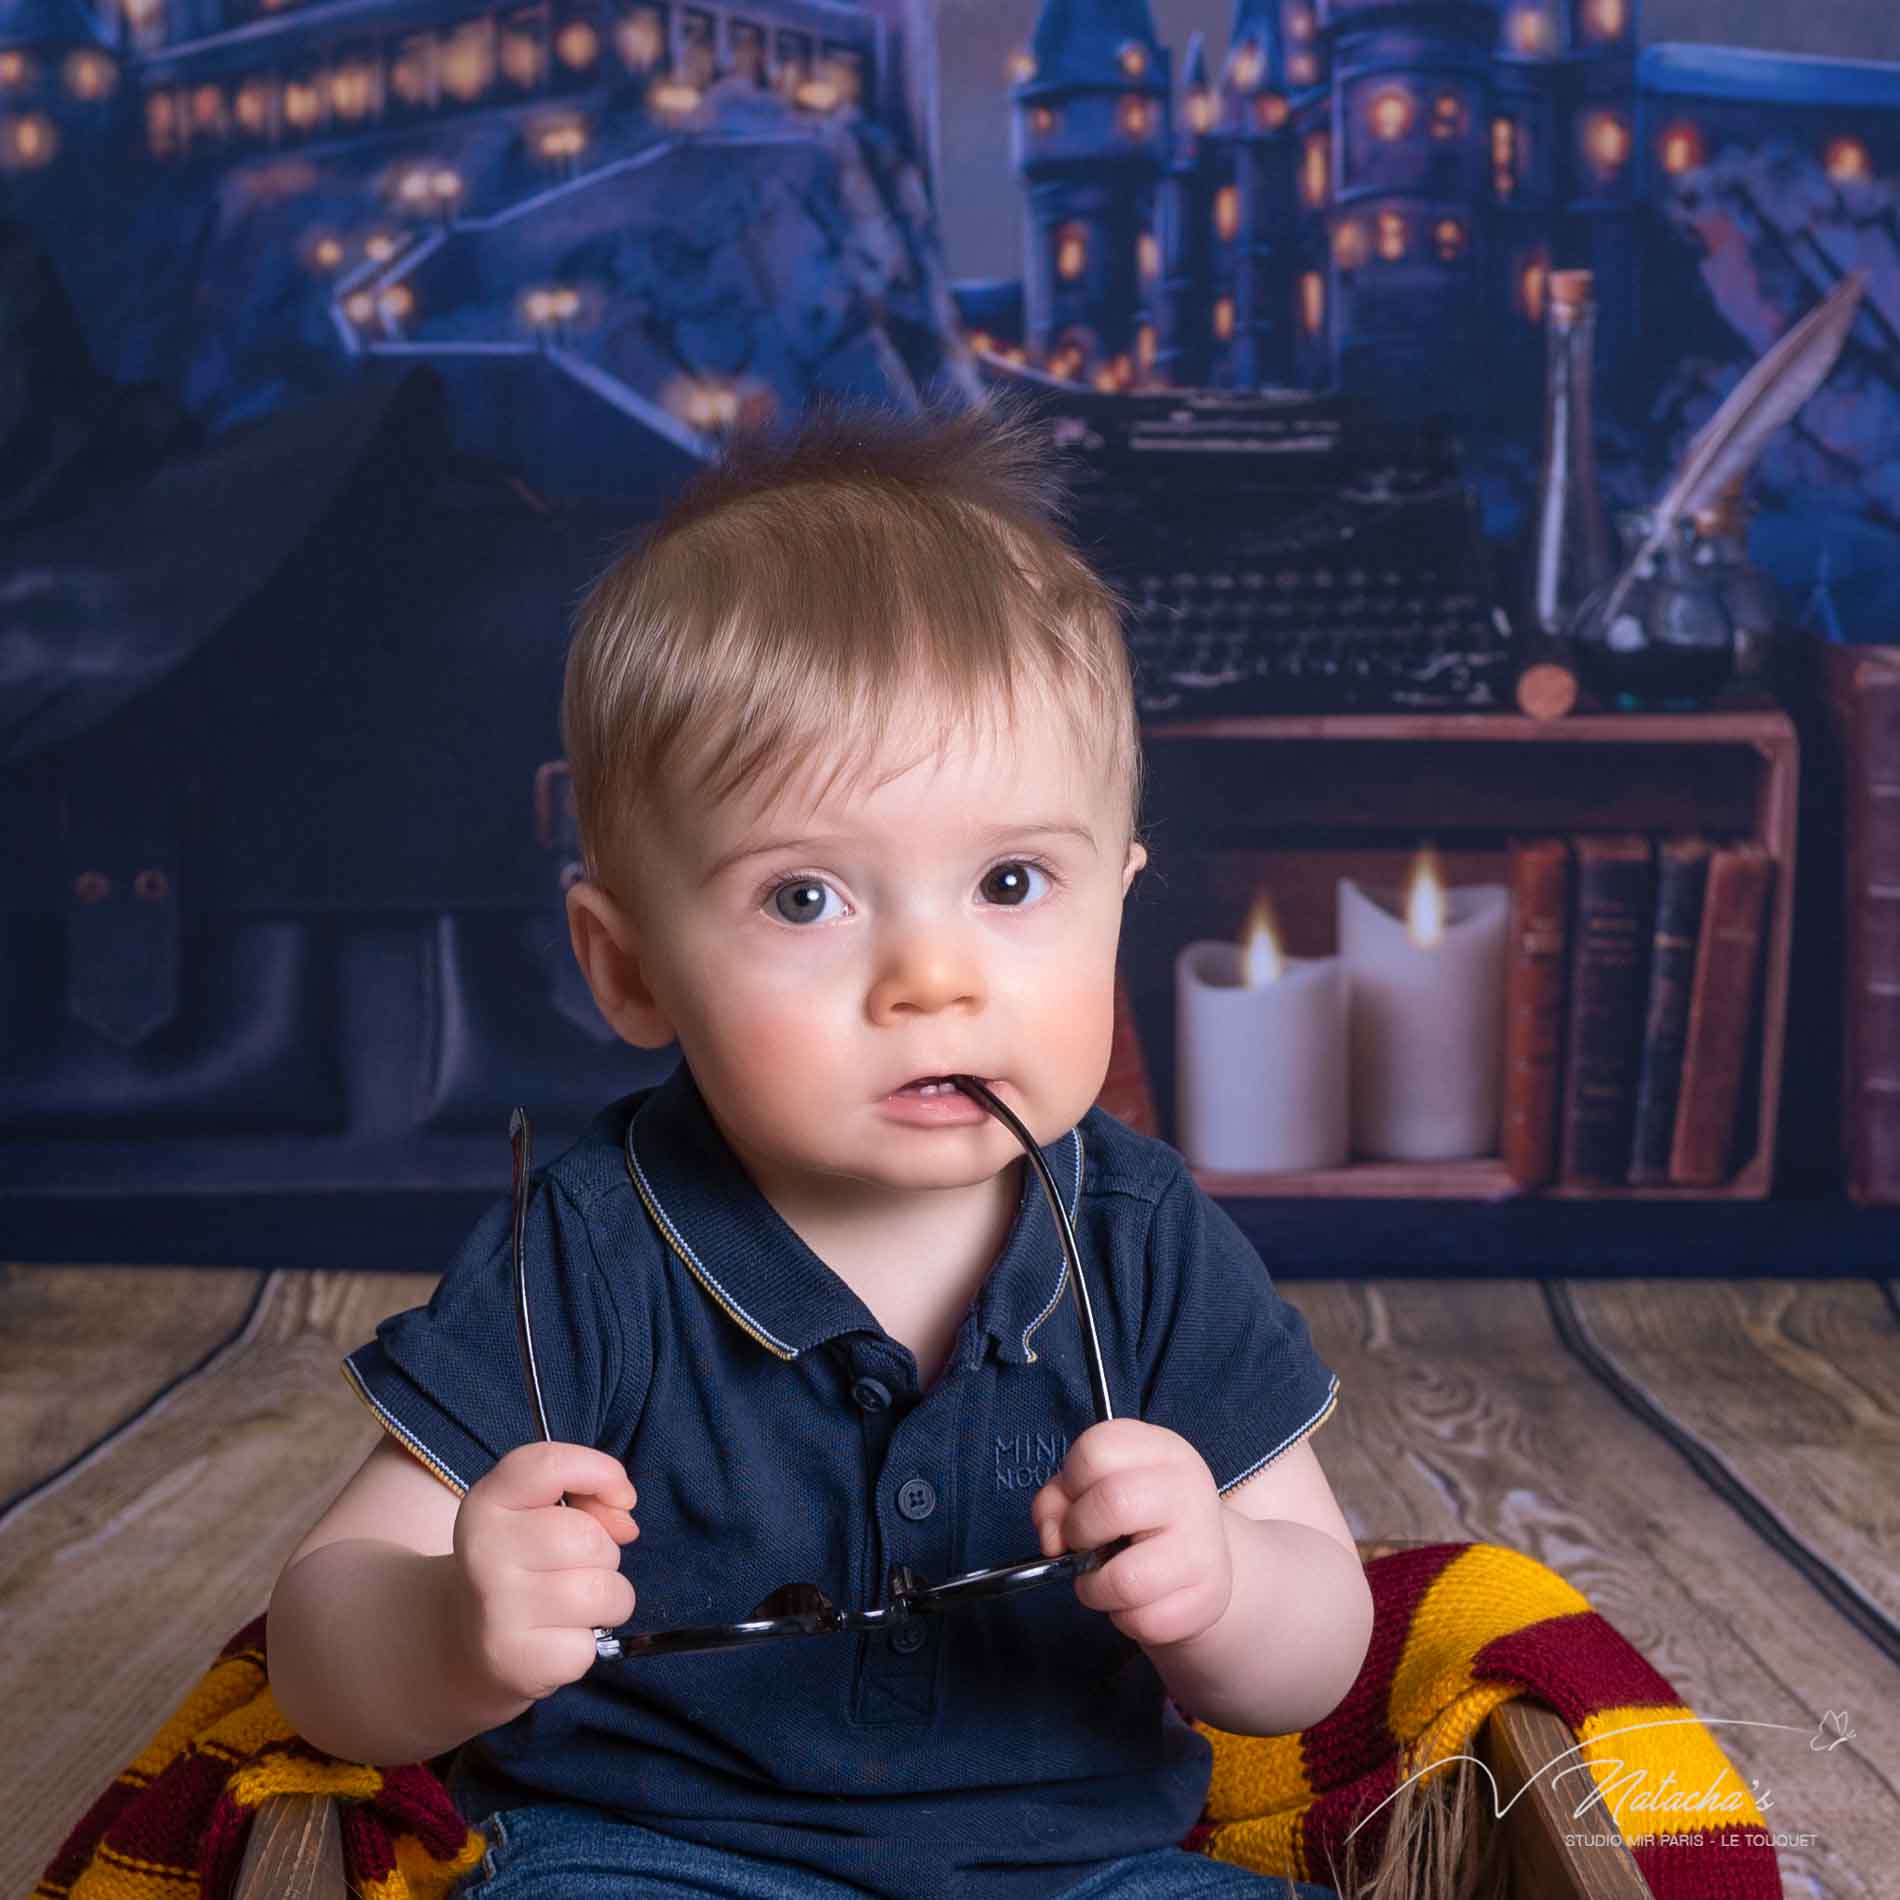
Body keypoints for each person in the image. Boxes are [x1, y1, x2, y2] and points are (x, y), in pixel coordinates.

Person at [266, 394, 1373, 1900]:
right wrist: (456, 1629)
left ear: (1121, 895)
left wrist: (1225, 1588)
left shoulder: (1141, 1232)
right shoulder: (594, 1247)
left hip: (1083, 1867)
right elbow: (325, 1651)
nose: (932, 979)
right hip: (663, 1857)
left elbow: (1313, 1660)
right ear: (629, 965)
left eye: (1009, 880)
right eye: (806, 899)